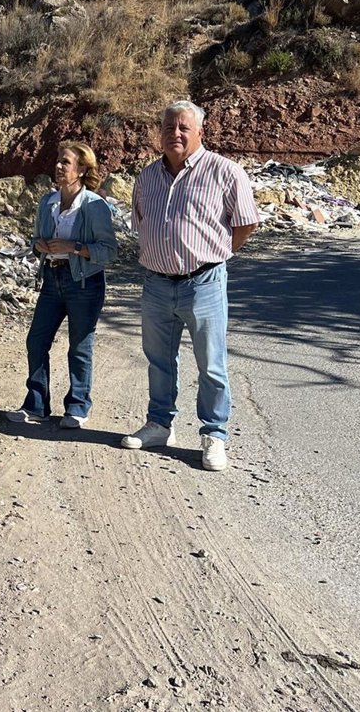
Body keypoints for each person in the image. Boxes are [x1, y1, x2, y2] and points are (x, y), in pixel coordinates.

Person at [123, 100, 259, 471]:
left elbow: (246, 223)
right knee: (158, 361)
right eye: (169, 127)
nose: (176, 134)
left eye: (184, 127)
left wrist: (217, 253)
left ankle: (214, 435)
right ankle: (159, 425)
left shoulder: (225, 172)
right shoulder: (147, 177)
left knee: (211, 365)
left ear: (200, 131)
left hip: (204, 283)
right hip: (156, 284)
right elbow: (141, 223)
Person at [7, 141, 117, 428]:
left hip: (84, 283)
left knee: (79, 346)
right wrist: (39, 246)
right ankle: (36, 405)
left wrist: (74, 247)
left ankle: (78, 407)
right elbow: (35, 241)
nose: (57, 166)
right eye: (58, 160)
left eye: (65, 162)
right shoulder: (48, 202)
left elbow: (109, 251)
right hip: (52, 279)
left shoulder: (94, 205)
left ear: (81, 170)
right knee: (36, 341)